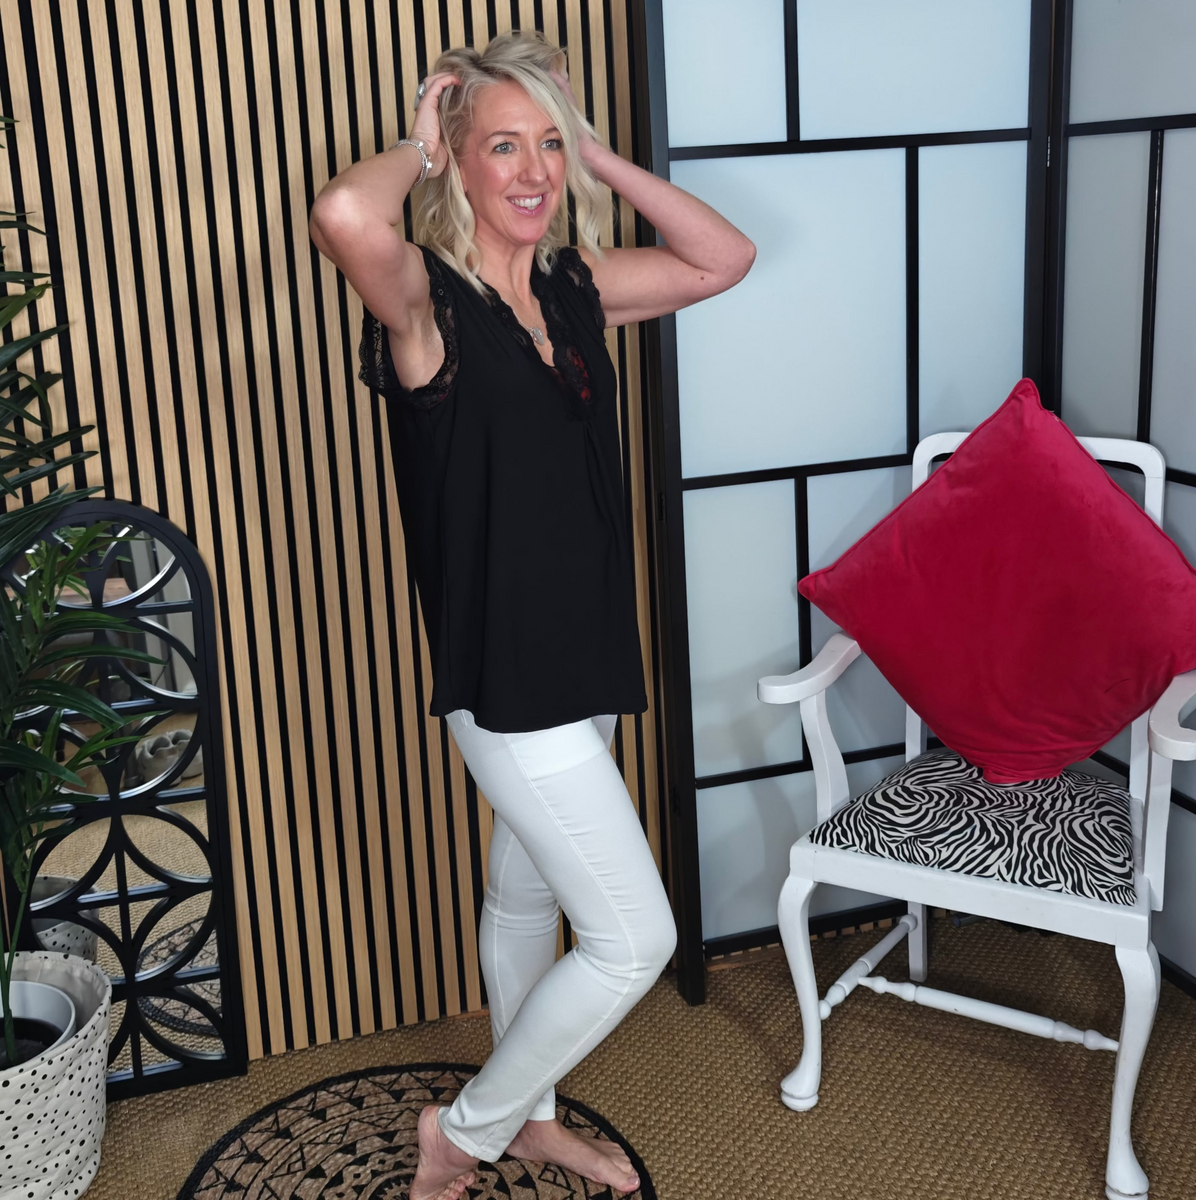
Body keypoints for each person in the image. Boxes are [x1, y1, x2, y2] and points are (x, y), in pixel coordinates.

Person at [309, 30, 754, 1200]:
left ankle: (530, 1118)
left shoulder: (572, 282)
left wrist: (597, 156)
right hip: (504, 681)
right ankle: (467, 1128)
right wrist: (428, 136)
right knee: (635, 937)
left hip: (585, 651)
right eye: (502, 145)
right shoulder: (425, 306)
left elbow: (722, 259)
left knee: (526, 897)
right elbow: (348, 218)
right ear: (457, 155)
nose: (530, 169)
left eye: (545, 145)